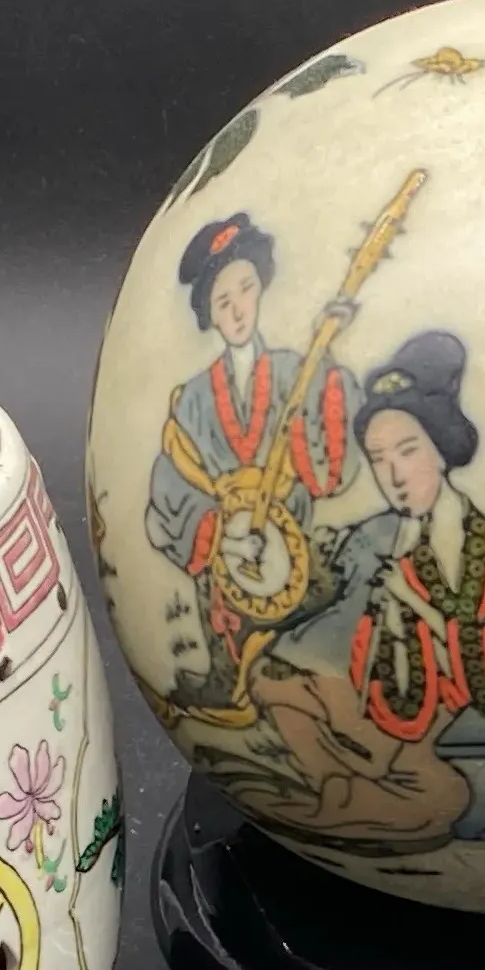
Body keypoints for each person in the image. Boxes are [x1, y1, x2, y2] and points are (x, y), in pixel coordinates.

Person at [254, 332, 485, 847]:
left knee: (439, 802)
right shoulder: (394, 544)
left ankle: (347, 796)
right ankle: (337, 786)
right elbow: (381, 678)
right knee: (274, 682)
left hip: (484, 716)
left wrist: (420, 607)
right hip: (418, 717)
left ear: (440, 451)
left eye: (408, 450)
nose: (394, 475)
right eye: (378, 458)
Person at [142, 213, 355, 716]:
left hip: (290, 536)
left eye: (246, 289)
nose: (238, 310)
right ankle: (231, 682)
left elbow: (326, 463)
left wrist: (325, 362)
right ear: (211, 316)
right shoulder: (192, 398)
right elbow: (173, 479)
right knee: (224, 602)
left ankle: (289, 667)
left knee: (331, 587)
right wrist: (218, 529)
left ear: (261, 289)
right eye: (223, 301)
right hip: (227, 550)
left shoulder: (294, 372)